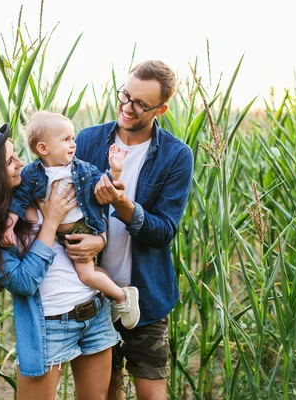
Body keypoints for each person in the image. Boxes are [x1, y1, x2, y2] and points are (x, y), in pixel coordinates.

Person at [0, 121, 120, 400]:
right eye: (9, 160)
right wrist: (50, 221)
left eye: (15, 153)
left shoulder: (39, 180)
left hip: (95, 312)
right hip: (49, 325)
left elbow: (93, 219)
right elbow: (24, 281)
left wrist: (100, 240)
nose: (20, 162)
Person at [70, 60, 194, 400]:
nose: (127, 107)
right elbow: (64, 205)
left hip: (146, 296)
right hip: (90, 296)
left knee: (152, 392)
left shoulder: (177, 156)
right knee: (105, 389)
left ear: (161, 109)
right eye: (125, 95)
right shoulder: (87, 140)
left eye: (140, 104)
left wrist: (124, 207)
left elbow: (163, 232)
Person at [1, 111, 140, 329]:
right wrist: (9, 227)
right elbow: (18, 202)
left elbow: (101, 185)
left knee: (85, 274)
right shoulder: (31, 174)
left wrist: (114, 171)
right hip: (61, 235)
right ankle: (110, 290)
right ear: (43, 149)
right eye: (66, 139)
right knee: (91, 271)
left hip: (82, 229)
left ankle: (122, 296)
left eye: (73, 138)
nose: (73, 144)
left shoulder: (81, 169)